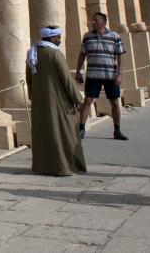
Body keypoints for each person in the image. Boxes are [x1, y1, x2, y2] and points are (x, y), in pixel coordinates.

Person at [26, 26, 87, 176]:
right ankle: (64, 166)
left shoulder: (32, 53)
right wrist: (77, 98)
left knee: (44, 133)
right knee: (63, 132)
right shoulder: (54, 54)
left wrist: (33, 95)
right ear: (50, 38)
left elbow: (29, 79)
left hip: (41, 102)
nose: (59, 40)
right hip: (58, 101)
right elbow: (66, 79)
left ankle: (43, 166)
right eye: (57, 37)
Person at [76, 12, 128, 140]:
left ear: (103, 22)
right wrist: (78, 71)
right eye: (93, 20)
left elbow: (120, 55)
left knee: (114, 101)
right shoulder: (87, 36)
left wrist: (120, 74)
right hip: (93, 75)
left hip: (110, 74)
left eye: (96, 20)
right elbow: (82, 54)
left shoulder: (114, 36)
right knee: (88, 100)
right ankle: (81, 129)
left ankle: (117, 130)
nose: (93, 22)